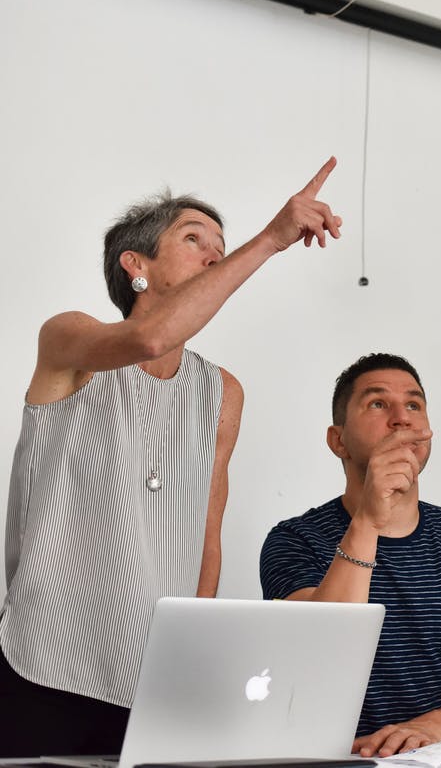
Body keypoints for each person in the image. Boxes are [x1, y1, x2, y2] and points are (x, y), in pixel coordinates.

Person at [0, 158, 341, 756]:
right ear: (137, 265)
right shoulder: (68, 339)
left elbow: (206, 536)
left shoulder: (222, 392)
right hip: (45, 664)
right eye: (193, 239)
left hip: (155, 679)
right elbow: (148, 338)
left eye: (221, 245)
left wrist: (189, 657)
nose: (214, 253)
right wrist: (268, 241)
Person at [260, 353, 441, 758]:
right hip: (344, 758)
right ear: (338, 440)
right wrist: (368, 521)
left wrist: (427, 729)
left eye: (414, 405)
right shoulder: (293, 540)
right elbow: (322, 660)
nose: (402, 418)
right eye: (378, 404)